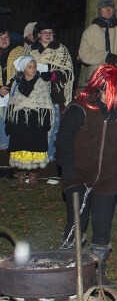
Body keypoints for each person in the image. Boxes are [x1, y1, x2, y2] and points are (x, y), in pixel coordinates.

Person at [55, 64, 117, 285]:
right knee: (76, 222)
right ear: (101, 89)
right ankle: (68, 267)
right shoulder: (79, 109)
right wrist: (67, 166)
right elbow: (63, 140)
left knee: (102, 226)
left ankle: (97, 271)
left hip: (109, 178)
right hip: (78, 176)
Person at [24, 19, 74, 161]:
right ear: (38, 34)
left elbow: (68, 72)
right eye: (44, 33)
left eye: (50, 32)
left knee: (52, 128)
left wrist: (52, 75)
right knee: (34, 127)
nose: (48, 35)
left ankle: (51, 159)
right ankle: (34, 158)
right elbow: (21, 69)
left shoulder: (61, 50)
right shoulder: (30, 50)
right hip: (33, 95)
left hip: (54, 95)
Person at [5, 56, 54, 190]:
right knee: (20, 147)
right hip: (19, 122)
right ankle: (20, 179)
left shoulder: (41, 83)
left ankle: (33, 180)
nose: (33, 69)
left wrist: (45, 122)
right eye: (29, 67)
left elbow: (46, 103)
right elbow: (11, 104)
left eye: (34, 66)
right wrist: (9, 122)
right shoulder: (16, 84)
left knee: (35, 147)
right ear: (23, 69)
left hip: (35, 122)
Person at [78, 0, 117, 78]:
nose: (108, 10)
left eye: (111, 8)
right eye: (105, 8)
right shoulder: (91, 31)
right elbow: (83, 53)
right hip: (97, 76)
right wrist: (105, 57)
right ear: (100, 11)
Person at [0, 27, 24, 150]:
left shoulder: (18, 51)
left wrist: (9, 87)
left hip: (14, 94)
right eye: (0, 38)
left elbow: (22, 73)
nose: (4, 40)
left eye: (6, 37)